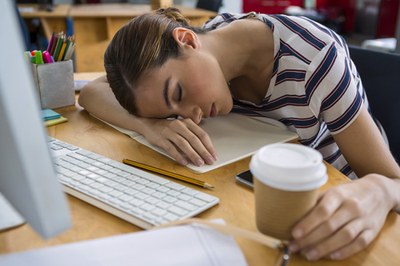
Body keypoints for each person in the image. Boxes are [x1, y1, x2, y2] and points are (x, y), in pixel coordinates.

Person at [79, 8, 400, 261]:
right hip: (260, 193)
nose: (192, 115)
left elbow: (393, 181)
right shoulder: (212, 49)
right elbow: (92, 91)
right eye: (174, 113)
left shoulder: (315, 59)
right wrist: (151, 125)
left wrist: (382, 190)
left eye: (177, 93)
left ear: (187, 41)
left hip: (338, 209)